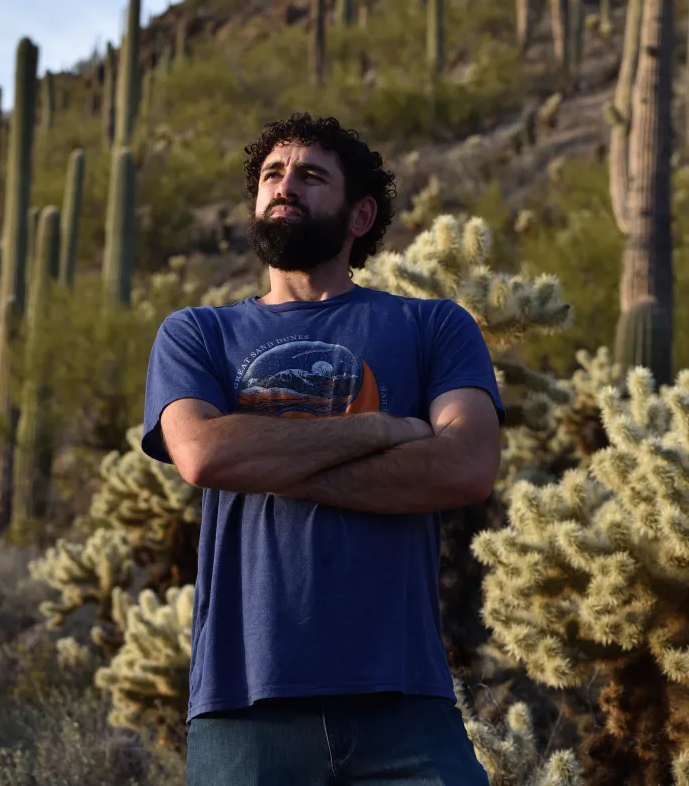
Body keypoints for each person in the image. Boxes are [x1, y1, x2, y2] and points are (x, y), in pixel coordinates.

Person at [143, 113, 503, 786]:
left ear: (360, 213)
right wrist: (379, 430)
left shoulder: (432, 326)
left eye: (311, 176)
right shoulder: (197, 334)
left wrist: (265, 454)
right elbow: (202, 456)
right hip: (243, 706)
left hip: (404, 700)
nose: (285, 186)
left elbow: (465, 465)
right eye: (273, 175)